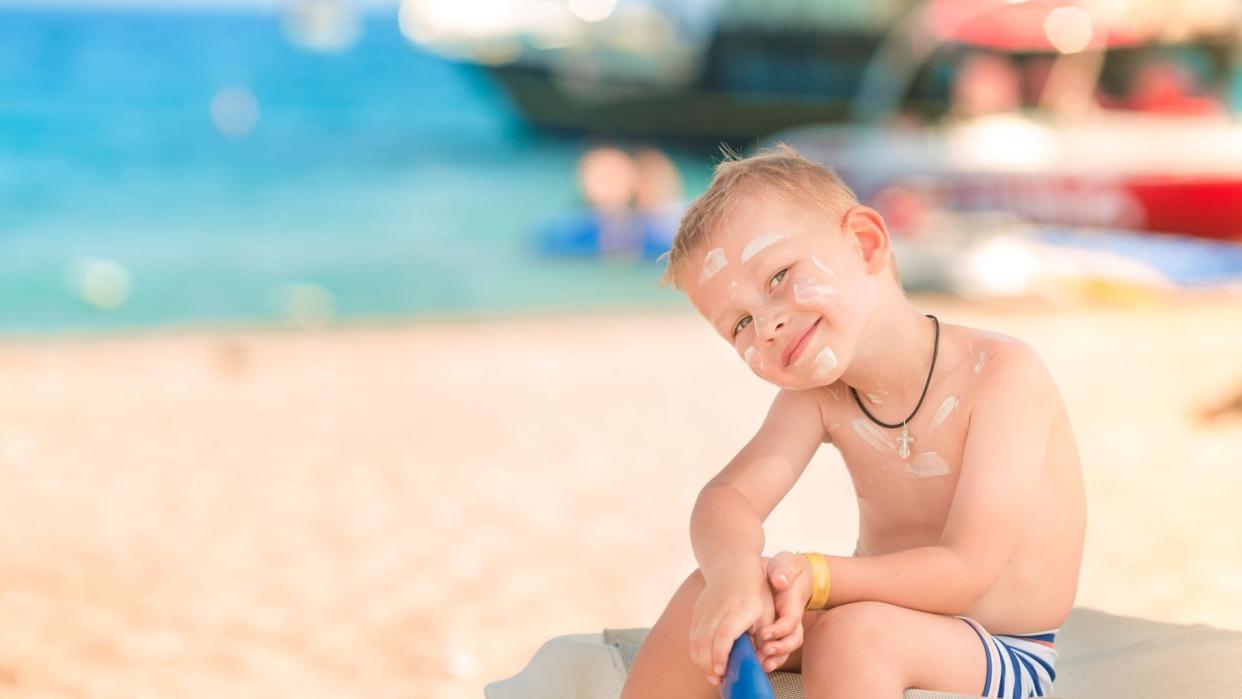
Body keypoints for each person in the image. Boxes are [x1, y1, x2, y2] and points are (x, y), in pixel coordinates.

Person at [621, 146, 1086, 698]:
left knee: (855, 635)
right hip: (878, 614)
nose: (766, 325)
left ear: (865, 243)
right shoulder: (820, 396)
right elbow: (727, 498)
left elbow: (966, 569)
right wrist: (733, 577)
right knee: (707, 599)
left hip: (1002, 646)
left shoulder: (1001, 375)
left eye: (777, 278)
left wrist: (814, 578)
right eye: (740, 322)